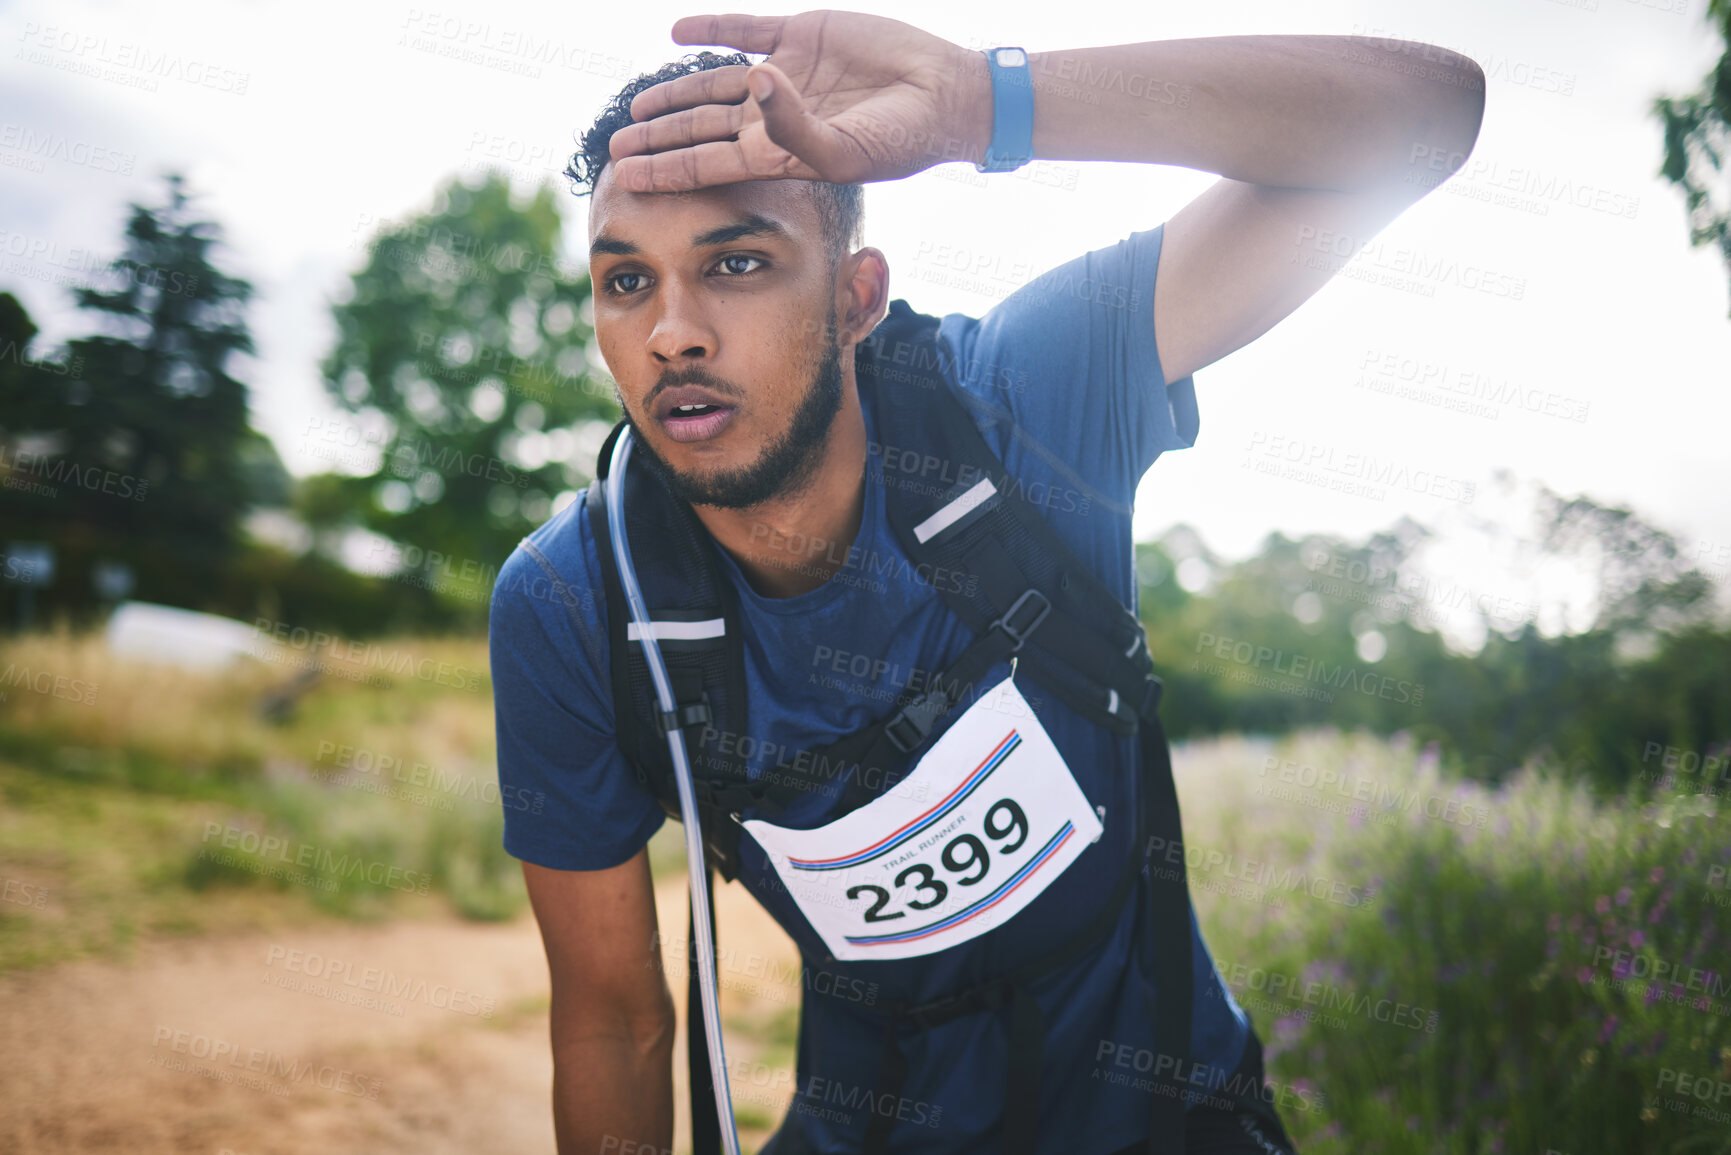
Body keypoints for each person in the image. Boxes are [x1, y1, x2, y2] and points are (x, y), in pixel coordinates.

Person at [488, 11, 1484, 1155]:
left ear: (857, 298)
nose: (672, 333)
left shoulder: (1022, 405)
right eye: (626, 282)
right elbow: (613, 1022)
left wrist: (979, 103)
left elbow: (1425, 120)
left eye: (738, 263)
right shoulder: (575, 600)